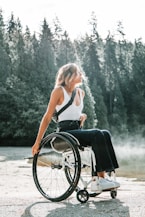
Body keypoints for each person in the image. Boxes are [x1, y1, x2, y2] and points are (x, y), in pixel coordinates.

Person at [32, 63, 120, 192]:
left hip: (76, 131)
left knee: (105, 133)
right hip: (63, 135)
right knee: (96, 133)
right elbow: (47, 117)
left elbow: (74, 115)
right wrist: (37, 142)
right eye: (79, 73)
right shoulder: (58, 91)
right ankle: (99, 180)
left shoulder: (81, 93)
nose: (81, 75)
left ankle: (107, 174)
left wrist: (81, 117)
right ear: (70, 75)